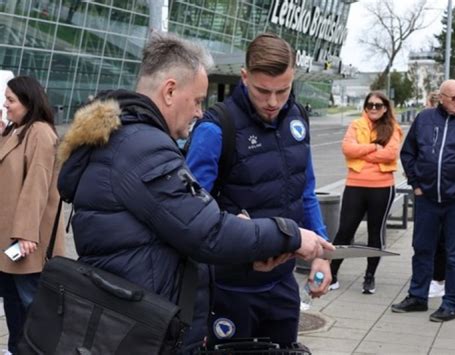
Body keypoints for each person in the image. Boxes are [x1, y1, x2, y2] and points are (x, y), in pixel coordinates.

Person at [56, 32, 333, 353]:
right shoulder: (146, 150)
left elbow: (182, 226)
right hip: (148, 317)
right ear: (170, 91)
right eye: (198, 100)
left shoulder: (124, 141)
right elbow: (206, 230)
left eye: (282, 91)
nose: (200, 111)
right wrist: (289, 236)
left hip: (138, 309)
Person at [185, 32, 331, 346]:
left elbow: (305, 190)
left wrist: (322, 254)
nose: (273, 102)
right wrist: (237, 231)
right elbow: (189, 211)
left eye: (283, 90)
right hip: (229, 290)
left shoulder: (297, 118)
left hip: (282, 287)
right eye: (263, 91)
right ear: (245, 76)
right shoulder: (215, 128)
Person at [392, 79, 455, 322]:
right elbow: (409, 152)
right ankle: (417, 296)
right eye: (454, 97)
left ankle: (451, 303)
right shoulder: (425, 119)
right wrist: (416, 185)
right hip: (427, 198)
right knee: (422, 248)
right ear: (441, 98)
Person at [0, 76, 65, 354]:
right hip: (9, 241)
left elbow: (37, 183)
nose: (5, 104)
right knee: (13, 303)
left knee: (33, 305)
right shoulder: (17, 130)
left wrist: (26, 232)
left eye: (11, 100)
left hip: (27, 241)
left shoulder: (40, 132)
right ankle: (18, 349)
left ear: (29, 102)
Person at [328, 91, 402, 294]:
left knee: (375, 233)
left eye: (378, 105)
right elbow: (347, 149)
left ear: (385, 107)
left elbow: (391, 154)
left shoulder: (393, 128)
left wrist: (363, 151)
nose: (374, 108)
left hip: (382, 187)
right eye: (370, 105)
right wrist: (373, 147)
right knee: (344, 232)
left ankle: (369, 277)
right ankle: (332, 274)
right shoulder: (356, 125)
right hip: (356, 185)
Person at [424, 91, 446, 298]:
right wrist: (416, 183)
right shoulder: (424, 123)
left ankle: (439, 279)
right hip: (427, 192)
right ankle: (429, 278)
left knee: (442, 240)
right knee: (425, 241)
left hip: (451, 194)